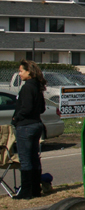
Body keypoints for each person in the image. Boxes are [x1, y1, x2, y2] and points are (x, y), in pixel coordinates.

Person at [11, 60, 46, 199]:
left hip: (26, 126)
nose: (19, 74)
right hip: (36, 125)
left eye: (21, 71)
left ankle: (26, 191)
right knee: (34, 158)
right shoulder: (38, 87)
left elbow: (26, 108)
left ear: (29, 72)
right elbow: (42, 108)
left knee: (25, 159)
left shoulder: (27, 87)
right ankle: (36, 189)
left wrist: (16, 118)